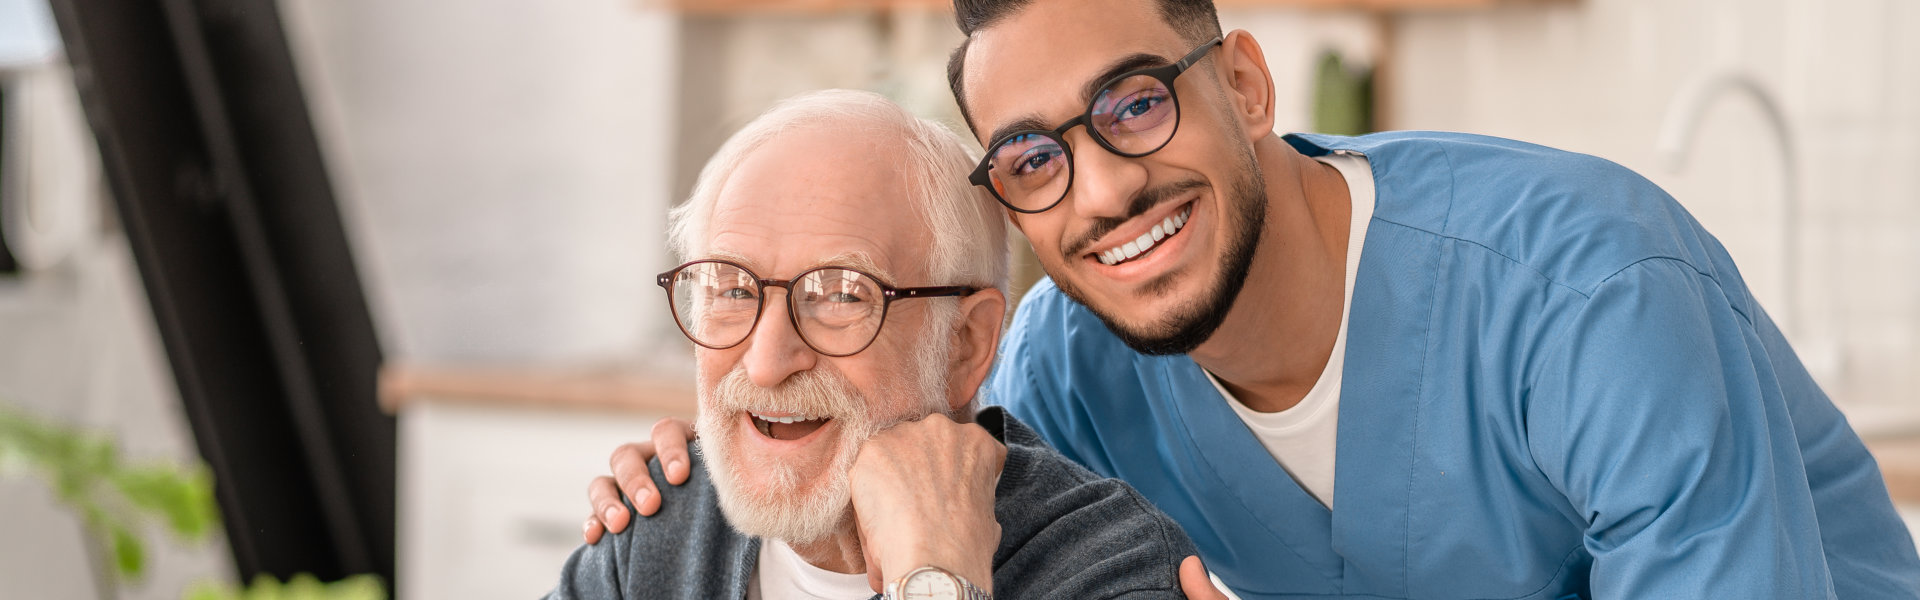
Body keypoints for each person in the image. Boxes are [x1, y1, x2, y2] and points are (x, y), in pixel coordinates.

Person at [583, 1, 1920, 598]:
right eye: (1038, 159)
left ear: (1250, 88)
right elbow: (885, 445)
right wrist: (706, 464)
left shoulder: (1588, 294)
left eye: (1136, 104)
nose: (1102, 190)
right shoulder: (1064, 366)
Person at [548, 89, 1212, 600]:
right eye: (730, 288)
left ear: (964, 345)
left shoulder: (1113, 569)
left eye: (840, 293)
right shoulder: (654, 531)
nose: (766, 361)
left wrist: (937, 574)